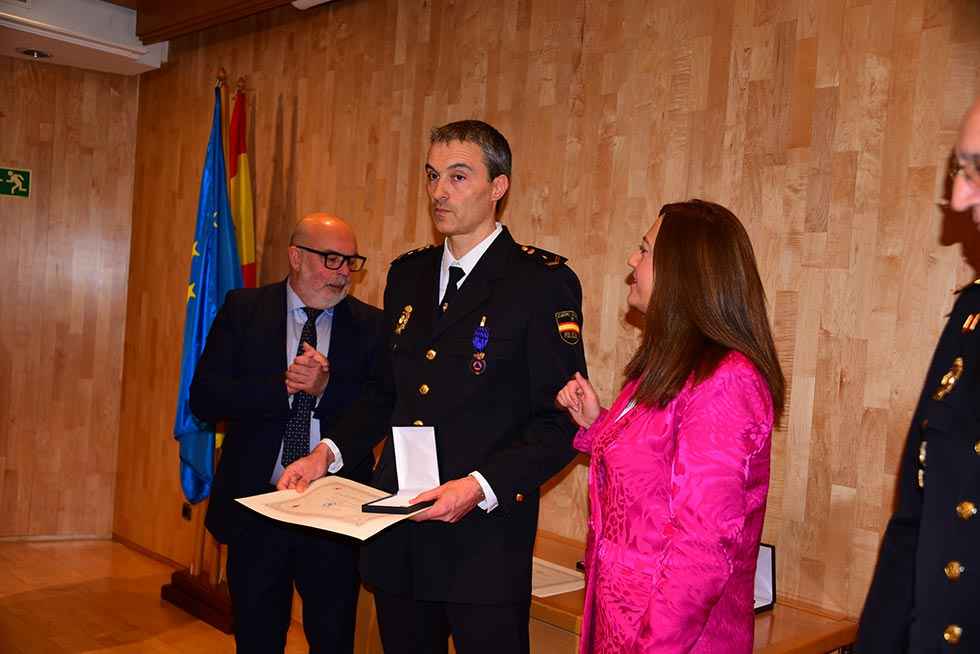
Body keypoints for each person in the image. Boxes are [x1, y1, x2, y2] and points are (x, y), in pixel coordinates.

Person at [277, 120, 588, 654]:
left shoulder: (540, 283)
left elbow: (560, 422)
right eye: (432, 176)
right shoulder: (409, 275)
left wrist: (477, 487)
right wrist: (325, 454)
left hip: (483, 544)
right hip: (403, 535)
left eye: (459, 177)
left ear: (498, 187)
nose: (440, 191)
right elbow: (386, 394)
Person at [556, 200, 785, 654]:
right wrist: (598, 425)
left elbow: (700, 552)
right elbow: (656, 478)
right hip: (621, 625)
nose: (632, 261)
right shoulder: (667, 367)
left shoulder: (726, 381)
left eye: (644, 250)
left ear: (683, 273)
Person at [189, 213, 383, 654]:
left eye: (351, 262)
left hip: (335, 513)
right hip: (258, 506)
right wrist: (283, 387)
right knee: (258, 637)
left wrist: (324, 389)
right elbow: (205, 398)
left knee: (332, 638)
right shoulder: (244, 309)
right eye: (331, 259)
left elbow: (378, 409)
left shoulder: (372, 326)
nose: (342, 273)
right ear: (296, 256)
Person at [855, 99, 980, 652]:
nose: (957, 199)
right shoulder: (971, 322)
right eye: (959, 170)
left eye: (978, 170)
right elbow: (915, 527)